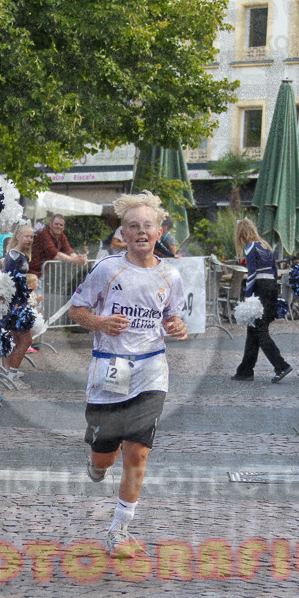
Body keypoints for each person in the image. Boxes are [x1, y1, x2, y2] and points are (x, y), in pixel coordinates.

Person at [68, 191, 188, 558]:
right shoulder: (107, 269)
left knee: (138, 452)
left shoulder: (171, 275)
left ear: (160, 231)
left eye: (147, 226)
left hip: (152, 369)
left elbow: (174, 318)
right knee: (106, 456)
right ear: (122, 232)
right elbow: (76, 310)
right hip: (111, 368)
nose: (140, 231)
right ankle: (96, 461)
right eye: (133, 226)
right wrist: (101, 321)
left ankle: (119, 529)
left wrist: (177, 326)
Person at [230, 218, 292, 383]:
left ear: (241, 234)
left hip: (260, 287)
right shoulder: (265, 245)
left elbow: (252, 274)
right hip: (271, 286)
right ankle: (245, 369)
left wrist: (248, 295)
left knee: (260, 331)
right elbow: (274, 269)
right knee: (254, 330)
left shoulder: (250, 247)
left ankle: (281, 365)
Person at [1, 222, 35, 381]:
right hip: (16, 304)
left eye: (32, 236)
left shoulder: (20, 254)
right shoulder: (14, 255)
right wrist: (15, 301)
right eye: (26, 236)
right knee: (26, 339)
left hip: (18, 302)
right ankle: (10, 371)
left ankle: (8, 371)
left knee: (16, 339)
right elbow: (10, 279)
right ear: (18, 237)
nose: (29, 239)